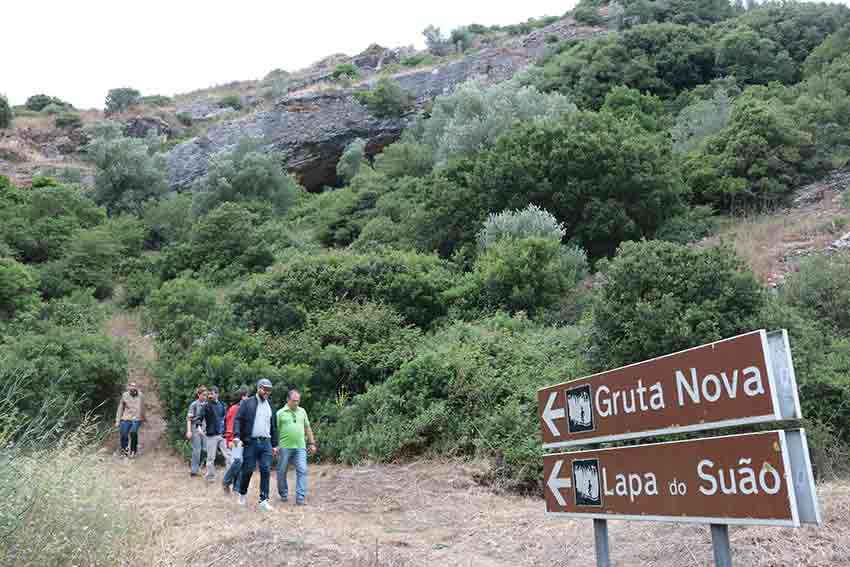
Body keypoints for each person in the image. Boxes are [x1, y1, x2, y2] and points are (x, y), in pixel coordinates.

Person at [233, 379, 279, 511]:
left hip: (266, 443)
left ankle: (263, 500)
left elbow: (273, 427)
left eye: (269, 390)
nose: (267, 392)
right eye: (264, 389)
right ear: (258, 388)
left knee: (265, 469)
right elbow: (238, 419)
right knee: (248, 470)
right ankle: (242, 494)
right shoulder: (247, 403)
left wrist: (275, 445)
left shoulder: (270, 405)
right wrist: (236, 436)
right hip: (251, 442)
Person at [276, 389, 317, 506]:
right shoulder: (280, 413)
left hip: (300, 447)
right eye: (294, 401)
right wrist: (276, 445)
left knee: (303, 470)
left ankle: (300, 498)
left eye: (298, 401)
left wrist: (312, 443)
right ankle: (283, 494)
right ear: (288, 400)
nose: (296, 403)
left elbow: (307, 428)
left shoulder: (302, 411)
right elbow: (276, 431)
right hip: (284, 447)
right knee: (281, 471)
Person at [196, 386, 230, 481]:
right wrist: (198, 428)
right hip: (211, 436)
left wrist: (227, 432)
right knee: (211, 458)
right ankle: (210, 477)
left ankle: (228, 476)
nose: (209, 396)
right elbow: (199, 418)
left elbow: (226, 419)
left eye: (211, 393)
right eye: (209, 394)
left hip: (222, 435)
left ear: (217, 394)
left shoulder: (222, 405)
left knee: (228, 456)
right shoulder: (206, 406)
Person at [222, 385, 249, 495]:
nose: (248, 398)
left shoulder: (245, 409)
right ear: (243, 397)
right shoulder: (234, 409)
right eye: (247, 396)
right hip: (235, 440)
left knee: (242, 464)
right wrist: (230, 440)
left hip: (244, 440)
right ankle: (226, 481)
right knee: (238, 462)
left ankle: (236, 489)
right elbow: (229, 425)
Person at [115, 381, 145, 457]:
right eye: (131, 386)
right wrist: (117, 420)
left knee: (133, 432)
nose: (133, 388)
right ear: (128, 388)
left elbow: (142, 407)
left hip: (136, 418)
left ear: (136, 388)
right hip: (126, 417)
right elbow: (120, 408)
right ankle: (124, 450)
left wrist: (143, 418)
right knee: (123, 434)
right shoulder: (125, 395)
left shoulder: (141, 395)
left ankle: (133, 450)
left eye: (134, 387)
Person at [186, 386, 208, 477]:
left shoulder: (207, 404)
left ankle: (201, 466)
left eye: (206, 395)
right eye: (203, 395)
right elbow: (189, 419)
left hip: (205, 430)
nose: (205, 397)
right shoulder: (194, 405)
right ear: (198, 395)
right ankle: (194, 471)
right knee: (197, 451)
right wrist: (189, 431)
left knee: (205, 449)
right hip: (196, 430)